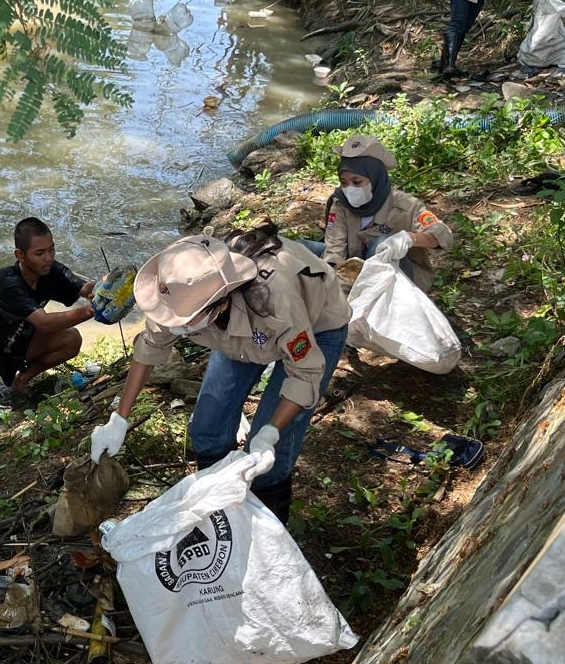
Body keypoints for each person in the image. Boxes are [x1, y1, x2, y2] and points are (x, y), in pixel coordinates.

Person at [89, 229, 350, 523]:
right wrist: (119, 419)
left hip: (317, 325)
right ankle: (220, 512)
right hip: (238, 338)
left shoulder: (275, 303)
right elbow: (149, 347)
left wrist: (271, 431)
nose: (172, 327)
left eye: (182, 323)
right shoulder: (178, 292)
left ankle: (268, 525)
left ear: (218, 305)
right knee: (206, 430)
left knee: (265, 456)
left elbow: (304, 374)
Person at [0, 217, 96, 399]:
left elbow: (84, 289)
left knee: (71, 339)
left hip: (18, 345)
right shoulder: (6, 283)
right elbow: (45, 324)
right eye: (39, 253)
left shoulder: (50, 270)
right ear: (20, 255)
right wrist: (91, 310)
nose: (48, 258)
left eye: (51, 249)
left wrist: (107, 286)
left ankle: (21, 380)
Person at [305, 135, 453, 291]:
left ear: (375, 178)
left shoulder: (405, 205)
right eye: (344, 183)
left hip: (401, 277)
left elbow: (443, 236)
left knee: (380, 243)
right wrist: (333, 275)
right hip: (352, 268)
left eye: (357, 182)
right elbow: (334, 248)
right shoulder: (341, 203)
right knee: (300, 249)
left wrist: (410, 238)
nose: (350, 189)